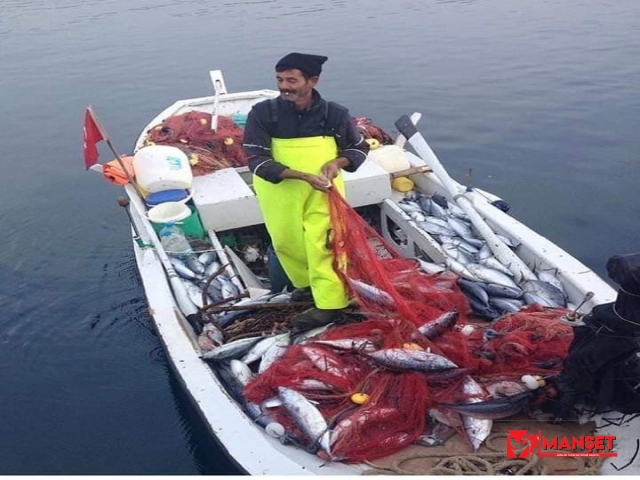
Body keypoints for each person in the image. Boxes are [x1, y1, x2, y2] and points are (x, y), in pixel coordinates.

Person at [243, 52, 369, 329]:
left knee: (325, 244)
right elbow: (256, 159)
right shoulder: (264, 114)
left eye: (292, 80)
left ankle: (330, 305)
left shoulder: (334, 114)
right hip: (280, 192)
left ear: (312, 81)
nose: (284, 86)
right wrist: (300, 175)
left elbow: (358, 148)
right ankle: (309, 287)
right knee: (288, 243)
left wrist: (337, 162)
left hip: (323, 190)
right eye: (279, 79)